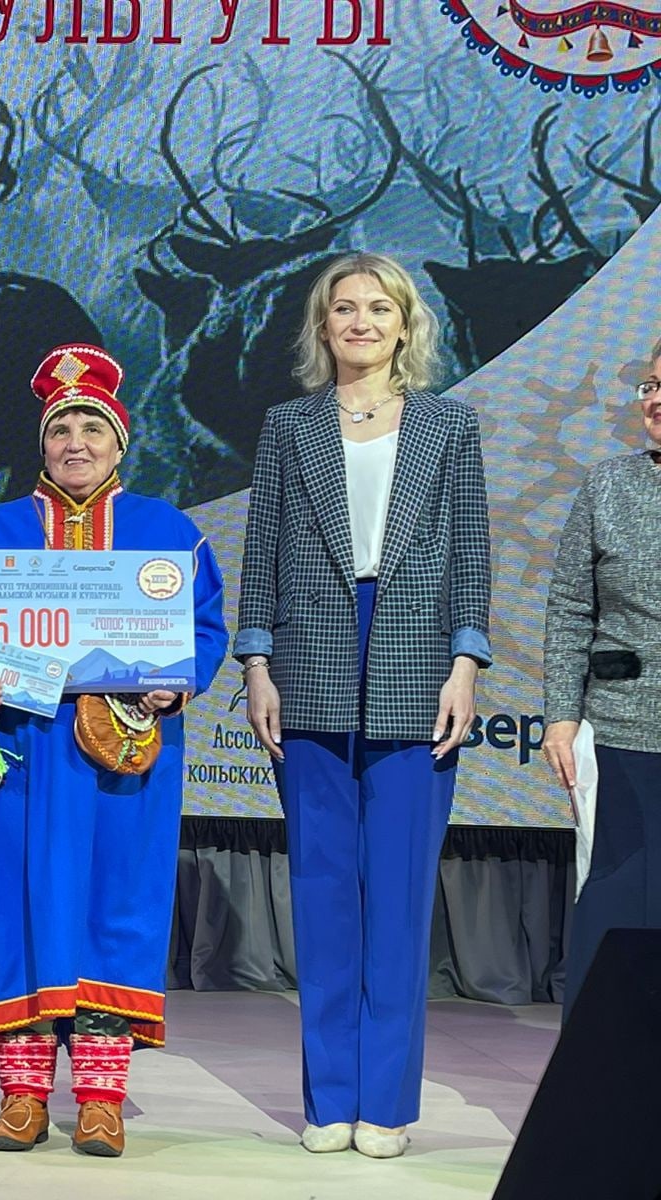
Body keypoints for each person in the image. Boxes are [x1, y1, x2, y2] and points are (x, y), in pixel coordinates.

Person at [0, 343, 227, 1158]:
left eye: (92, 428)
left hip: (127, 758)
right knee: (17, 910)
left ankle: (100, 1099)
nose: (75, 444)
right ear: (43, 442)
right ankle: (22, 1096)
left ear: (119, 442)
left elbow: (204, 630)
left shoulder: (169, 533)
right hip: (20, 755)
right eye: (60, 429)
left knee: (116, 908)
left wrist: (176, 682)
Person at [235, 253, 491, 1159]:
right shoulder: (288, 424)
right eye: (344, 308)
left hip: (417, 659)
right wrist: (256, 662)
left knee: (399, 898)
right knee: (322, 893)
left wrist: (466, 664)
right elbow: (262, 547)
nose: (361, 322)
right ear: (323, 326)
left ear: (404, 324)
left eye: (379, 308)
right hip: (308, 658)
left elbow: (471, 552)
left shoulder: (450, 425)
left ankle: (385, 1102)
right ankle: (331, 1099)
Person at [543, 340, 661, 1017]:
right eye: (650, 385)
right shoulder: (607, 484)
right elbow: (569, 607)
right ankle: (600, 1070)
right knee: (613, 912)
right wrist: (562, 715)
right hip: (617, 738)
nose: (655, 399)